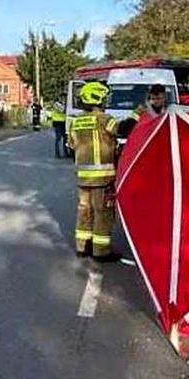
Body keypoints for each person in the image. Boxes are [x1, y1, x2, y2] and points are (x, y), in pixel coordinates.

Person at [69, 81, 122, 262]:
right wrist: (138, 115)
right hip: (103, 178)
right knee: (103, 213)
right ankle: (101, 250)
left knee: (84, 210)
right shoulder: (104, 119)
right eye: (104, 98)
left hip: (83, 177)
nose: (105, 102)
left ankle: (82, 247)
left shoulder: (75, 122)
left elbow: (71, 145)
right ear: (98, 98)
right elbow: (122, 129)